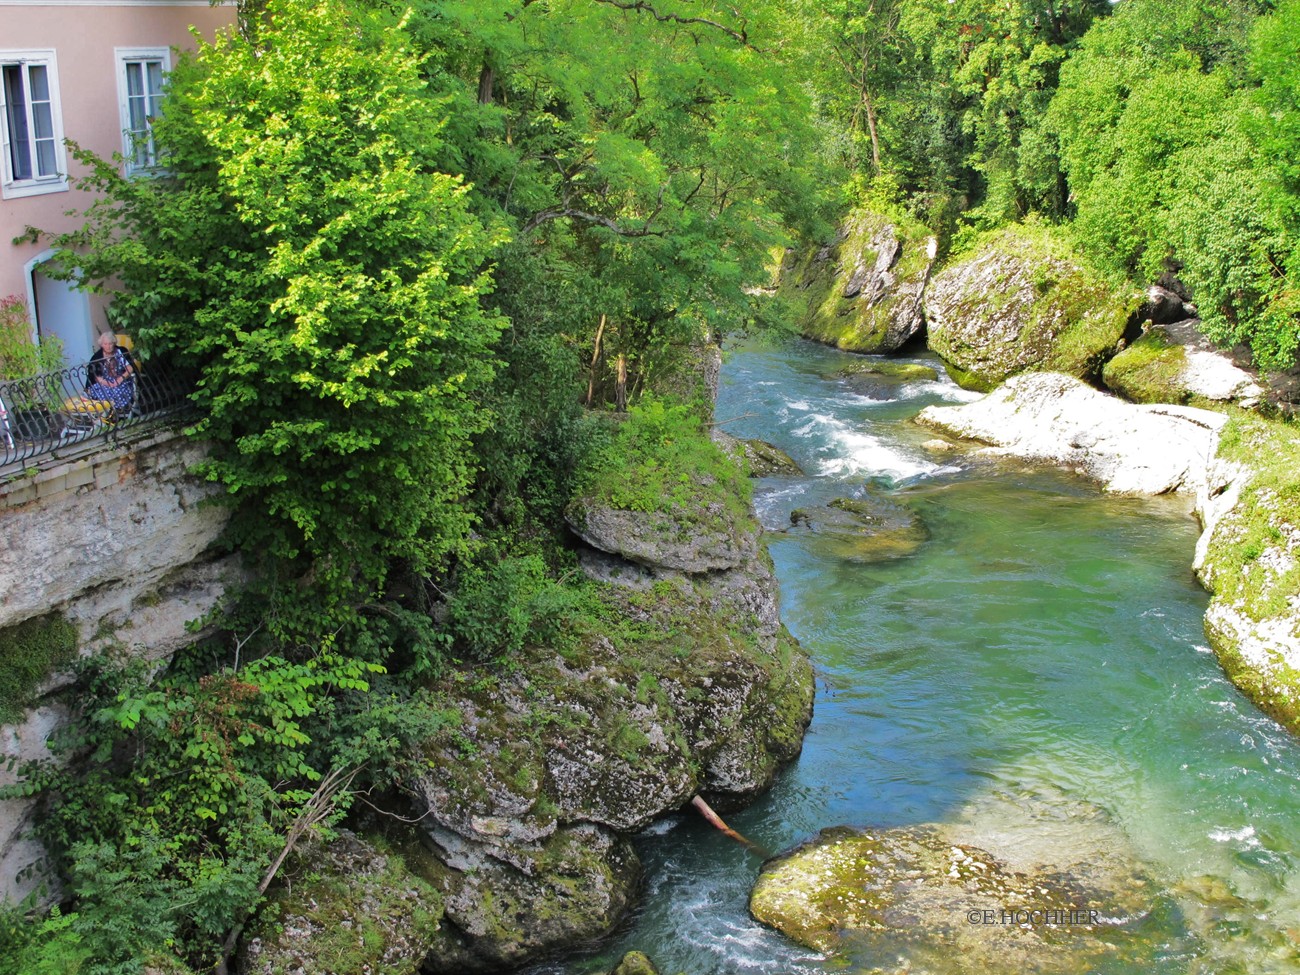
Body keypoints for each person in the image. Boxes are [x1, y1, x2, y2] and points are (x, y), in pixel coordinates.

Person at [85, 330, 135, 415]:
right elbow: (96, 377)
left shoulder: (120, 351)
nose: (108, 346)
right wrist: (108, 383)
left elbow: (130, 368)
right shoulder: (97, 357)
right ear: (101, 345)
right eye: (105, 344)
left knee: (117, 392)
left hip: (122, 381)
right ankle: (106, 415)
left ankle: (115, 412)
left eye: (110, 343)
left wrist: (119, 380)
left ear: (114, 343)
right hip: (104, 382)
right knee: (100, 392)